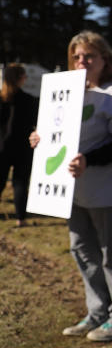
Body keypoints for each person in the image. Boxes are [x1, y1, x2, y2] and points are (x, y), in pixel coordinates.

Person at [30, 32, 112, 341]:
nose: (82, 61)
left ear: (105, 59)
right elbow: (57, 133)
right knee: (83, 251)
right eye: (77, 56)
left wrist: (89, 160)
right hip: (73, 192)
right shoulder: (68, 93)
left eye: (89, 56)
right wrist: (40, 140)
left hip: (110, 192)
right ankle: (98, 312)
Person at [1, 64, 39, 227]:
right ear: (21, 78)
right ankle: (20, 218)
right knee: (21, 183)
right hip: (23, 148)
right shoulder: (29, 100)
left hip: (2, 147)